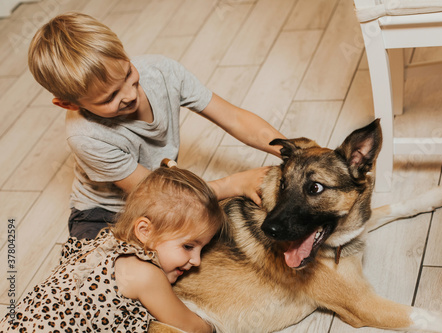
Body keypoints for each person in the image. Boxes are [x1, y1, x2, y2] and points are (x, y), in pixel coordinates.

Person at [28, 12, 285, 239]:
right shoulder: (86, 136)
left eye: (128, 74)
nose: (129, 94)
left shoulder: (161, 71)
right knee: (127, 272)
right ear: (68, 105)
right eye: (109, 98)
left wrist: (293, 151)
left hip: (163, 195)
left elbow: (235, 118)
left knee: (216, 232)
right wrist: (233, 184)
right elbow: (158, 195)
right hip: (104, 215)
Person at [0, 165, 224, 332]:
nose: (197, 261)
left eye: (201, 249)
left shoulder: (103, 242)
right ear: (145, 231)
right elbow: (193, 328)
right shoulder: (145, 275)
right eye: (188, 246)